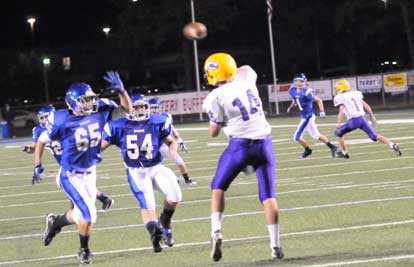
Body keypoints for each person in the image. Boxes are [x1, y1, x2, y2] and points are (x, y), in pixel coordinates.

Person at [35, 71, 132, 265]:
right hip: (70, 174)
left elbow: (127, 109)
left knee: (80, 215)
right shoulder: (60, 120)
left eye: (89, 100)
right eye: (84, 101)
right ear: (72, 103)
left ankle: (55, 222)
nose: (89, 104)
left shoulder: (100, 108)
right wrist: (37, 159)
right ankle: (84, 250)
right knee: (89, 215)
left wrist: (122, 91)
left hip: (90, 171)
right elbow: (44, 139)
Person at [202, 53, 283, 262]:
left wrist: (218, 123)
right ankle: (275, 245)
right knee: (268, 195)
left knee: (218, 187)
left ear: (212, 74)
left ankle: (216, 232)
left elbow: (213, 132)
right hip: (264, 144)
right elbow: (243, 68)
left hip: (240, 146)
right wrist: (227, 68)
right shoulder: (246, 77)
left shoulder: (213, 98)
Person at [101, 93, 182, 252]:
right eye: (136, 107)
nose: (140, 110)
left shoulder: (157, 121)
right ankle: (154, 234)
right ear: (130, 109)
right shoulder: (117, 126)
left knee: (176, 196)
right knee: (148, 205)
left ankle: (165, 221)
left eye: (143, 106)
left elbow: (171, 141)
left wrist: (173, 150)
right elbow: (100, 147)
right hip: (137, 172)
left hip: (156, 167)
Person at [25, 105, 114, 211]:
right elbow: (36, 146)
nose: (45, 120)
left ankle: (78, 211)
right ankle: (102, 199)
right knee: (77, 185)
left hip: (76, 159)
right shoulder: (39, 130)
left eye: (47, 117)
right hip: (66, 163)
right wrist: (31, 151)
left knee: (68, 183)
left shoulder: (62, 125)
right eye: (42, 117)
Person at [333, 79, 402, 158]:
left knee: (338, 133)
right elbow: (367, 106)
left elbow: (341, 111)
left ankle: (345, 153)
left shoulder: (340, 97)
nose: (336, 89)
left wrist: (338, 123)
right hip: (362, 119)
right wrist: (372, 117)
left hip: (353, 121)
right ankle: (391, 144)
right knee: (374, 136)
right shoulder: (356, 94)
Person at [287, 73, 337, 158]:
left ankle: (308, 150)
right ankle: (333, 147)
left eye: (302, 81)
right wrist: (291, 106)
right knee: (316, 135)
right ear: (295, 81)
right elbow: (295, 99)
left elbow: (318, 100)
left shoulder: (307, 92)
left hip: (308, 117)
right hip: (304, 116)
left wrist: (322, 111)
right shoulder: (292, 90)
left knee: (296, 137)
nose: (300, 83)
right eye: (298, 81)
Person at [148, 98, 196, 185]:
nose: (154, 110)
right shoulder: (146, 118)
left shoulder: (166, 116)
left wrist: (181, 142)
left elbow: (173, 129)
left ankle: (187, 179)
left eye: (156, 107)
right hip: (151, 145)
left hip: (164, 144)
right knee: (151, 165)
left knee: (179, 161)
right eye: (152, 107)